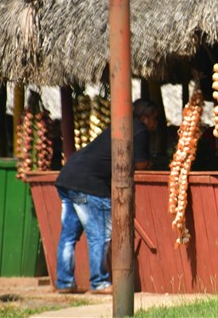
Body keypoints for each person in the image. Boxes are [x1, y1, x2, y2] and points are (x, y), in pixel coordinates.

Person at [54, 98, 158, 294]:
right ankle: (99, 282)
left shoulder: (121, 125)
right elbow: (141, 164)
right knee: (100, 235)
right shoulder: (140, 129)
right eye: (154, 119)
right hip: (90, 184)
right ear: (144, 117)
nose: (156, 124)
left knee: (68, 236)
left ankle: (65, 282)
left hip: (68, 176)